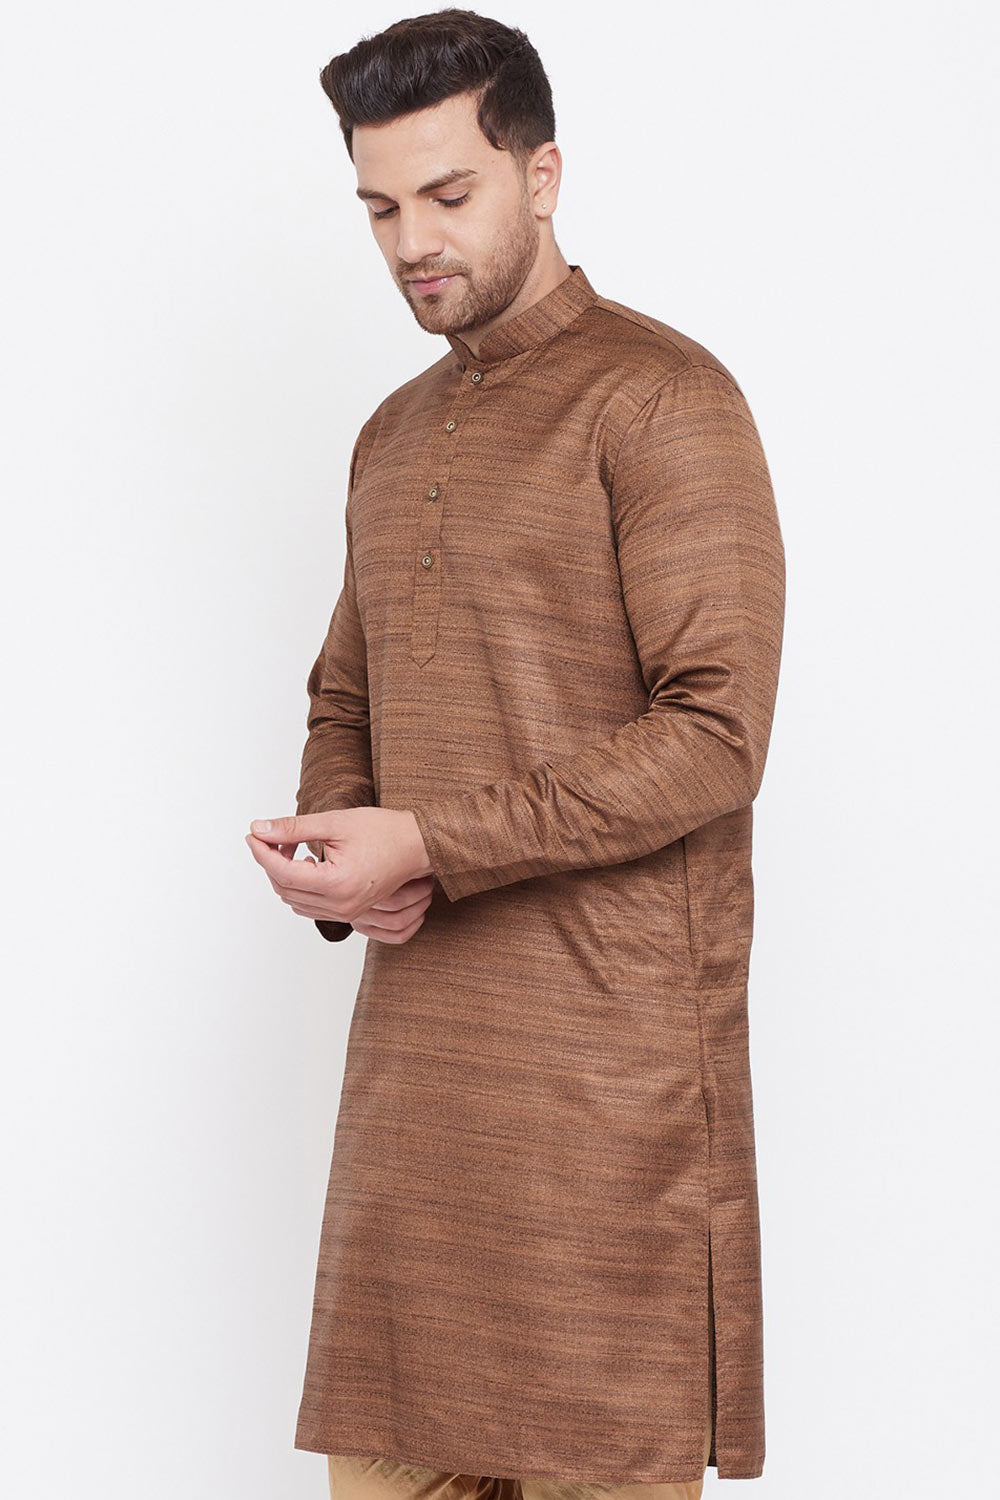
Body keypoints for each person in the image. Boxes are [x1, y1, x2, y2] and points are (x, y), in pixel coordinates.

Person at [246, 9, 786, 1497]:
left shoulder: (661, 400)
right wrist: (338, 845)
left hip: (606, 1112)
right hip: (417, 1109)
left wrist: (435, 842)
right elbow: (346, 693)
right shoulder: (393, 434)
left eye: (448, 194)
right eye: (379, 208)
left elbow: (716, 735)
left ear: (542, 177)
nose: (412, 243)